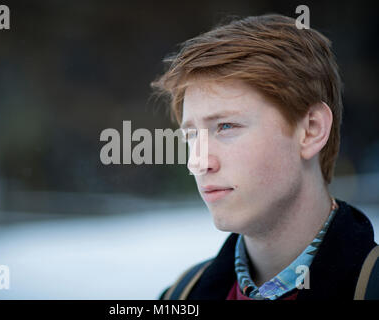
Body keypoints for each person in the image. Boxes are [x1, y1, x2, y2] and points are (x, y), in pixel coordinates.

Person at [151, 14, 379, 300]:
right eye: (191, 135)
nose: (197, 162)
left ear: (311, 130)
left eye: (225, 127)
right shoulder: (180, 296)